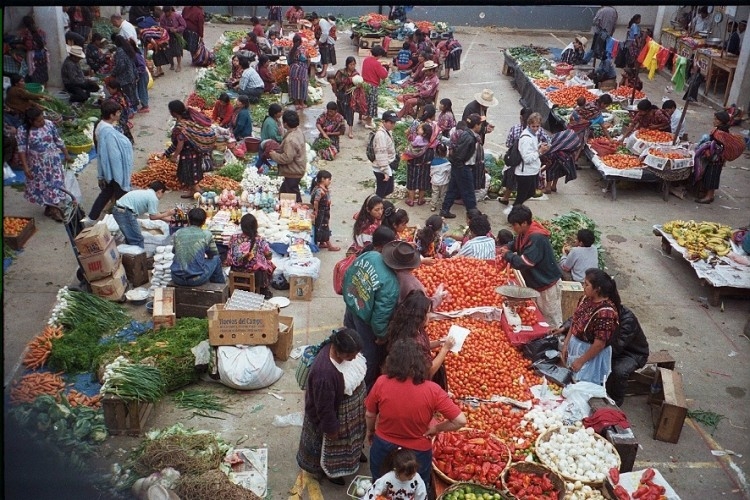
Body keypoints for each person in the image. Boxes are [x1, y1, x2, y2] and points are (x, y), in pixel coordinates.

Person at [365, 339, 466, 491]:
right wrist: (436, 429)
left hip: (383, 446)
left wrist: (371, 431)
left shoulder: (381, 383)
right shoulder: (433, 390)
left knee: (380, 486)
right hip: (417, 452)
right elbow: (460, 421)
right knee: (414, 488)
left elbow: (370, 414)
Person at [296, 327, 367, 486]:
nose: (354, 358)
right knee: (333, 446)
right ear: (338, 352)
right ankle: (332, 472)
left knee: (354, 437)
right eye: (351, 356)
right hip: (335, 417)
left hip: (353, 413)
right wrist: (331, 428)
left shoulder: (340, 342)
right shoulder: (324, 375)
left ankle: (355, 454)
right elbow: (324, 408)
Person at [343, 226, 399, 391]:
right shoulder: (391, 282)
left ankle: (345, 371)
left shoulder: (370, 255)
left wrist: (349, 298)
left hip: (351, 306)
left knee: (350, 345)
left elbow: (349, 274)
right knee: (368, 357)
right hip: (365, 319)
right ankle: (361, 390)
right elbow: (381, 315)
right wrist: (381, 335)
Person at [498, 205, 563, 328]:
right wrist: (508, 247)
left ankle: (557, 343)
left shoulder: (536, 237)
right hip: (536, 283)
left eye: (514, 225)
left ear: (523, 223)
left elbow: (525, 263)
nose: (513, 228)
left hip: (546, 285)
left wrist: (508, 255)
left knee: (551, 319)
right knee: (539, 316)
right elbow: (516, 243)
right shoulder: (525, 233)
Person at [554, 268, 620, 385]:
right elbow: (575, 320)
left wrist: (581, 361)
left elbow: (599, 344)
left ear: (597, 289)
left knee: (584, 384)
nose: (583, 286)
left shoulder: (605, 313)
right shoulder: (585, 299)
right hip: (577, 348)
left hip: (590, 354)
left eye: (587, 284)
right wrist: (566, 345)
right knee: (571, 381)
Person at [385, 290, 452, 386]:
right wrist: (445, 349)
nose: (430, 316)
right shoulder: (413, 342)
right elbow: (429, 372)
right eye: (428, 313)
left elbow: (424, 346)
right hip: (416, 383)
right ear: (420, 316)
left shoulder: (410, 328)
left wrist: (439, 342)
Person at [16, 108, 70, 222]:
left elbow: (58, 140)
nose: (42, 122)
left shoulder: (49, 124)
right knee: (44, 186)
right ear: (31, 121)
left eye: (42, 119)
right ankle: (51, 208)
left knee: (55, 184)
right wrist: (25, 168)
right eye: (39, 121)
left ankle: (53, 208)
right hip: (38, 165)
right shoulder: (23, 131)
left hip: (53, 162)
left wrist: (66, 154)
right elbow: (21, 150)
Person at [86, 100, 133, 222]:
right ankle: (123, 220)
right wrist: (118, 172)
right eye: (118, 113)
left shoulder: (100, 125)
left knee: (107, 192)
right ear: (111, 115)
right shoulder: (108, 132)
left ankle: (92, 217)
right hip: (115, 170)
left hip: (109, 168)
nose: (119, 115)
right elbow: (114, 155)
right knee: (121, 194)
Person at [165, 100, 214, 198]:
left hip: (188, 153)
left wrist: (174, 156)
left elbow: (180, 144)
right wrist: (167, 152)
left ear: (173, 113)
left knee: (190, 173)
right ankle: (192, 192)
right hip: (196, 150)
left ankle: (199, 192)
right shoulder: (189, 119)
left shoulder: (181, 126)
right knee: (194, 171)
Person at [440, 114, 483, 219]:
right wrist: (460, 166)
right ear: (476, 125)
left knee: (453, 189)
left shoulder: (466, 134)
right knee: (469, 191)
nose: (481, 127)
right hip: (463, 167)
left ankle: (445, 209)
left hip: (458, 166)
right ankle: (473, 214)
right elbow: (460, 154)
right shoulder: (470, 137)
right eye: (480, 124)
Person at [171, 208, 226, 287]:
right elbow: (212, 255)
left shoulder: (178, 232)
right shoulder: (206, 234)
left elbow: (175, 251)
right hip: (196, 280)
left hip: (176, 278)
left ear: (189, 220)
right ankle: (220, 287)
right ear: (204, 222)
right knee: (216, 259)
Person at [606, 305, 649, 406]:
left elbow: (617, 347)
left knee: (619, 371)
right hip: (614, 349)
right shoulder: (598, 308)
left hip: (633, 353)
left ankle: (616, 402)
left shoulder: (627, 319)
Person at [226, 213, 275, 299]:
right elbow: (269, 255)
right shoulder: (260, 240)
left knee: (259, 260)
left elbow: (230, 253)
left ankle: (238, 288)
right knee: (268, 264)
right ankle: (263, 289)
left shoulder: (234, 238)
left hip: (236, 272)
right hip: (255, 275)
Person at [111, 181, 175, 248]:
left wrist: (167, 218)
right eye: (163, 194)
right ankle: (138, 256)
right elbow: (152, 217)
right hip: (125, 213)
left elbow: (154, 213)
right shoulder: (153, 198)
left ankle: (130, 255)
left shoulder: (148, 193)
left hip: (120, 210)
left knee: (131, 237)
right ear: (160, 191)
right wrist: (167, 213)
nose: (162, 197)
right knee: (137, 239)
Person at [509, 112, 549, 211]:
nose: (535, 128)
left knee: (530, 192)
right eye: (533, 126)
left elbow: (532, 150)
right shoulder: (526, 139)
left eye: (537, 126)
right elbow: (526, 158)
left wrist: (539, 147)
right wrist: (540, 152)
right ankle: (513, 213)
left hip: (531, 171)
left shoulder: (533, 135)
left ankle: (514, 209)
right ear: (528, 124)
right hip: (525, 172)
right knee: (521, 196)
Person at [694, 111, 733, 204]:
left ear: (721, 121)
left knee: (712, 176)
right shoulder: (721, 130)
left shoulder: (720, 132)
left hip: (716, 158)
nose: (714, 120)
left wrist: (708, 150)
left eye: (716, 119)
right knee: (711, 175)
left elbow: (716, 145)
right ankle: (708, 194)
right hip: (717, 158)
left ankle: (709, 196)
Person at [269, 110, 306, 202]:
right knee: (284, 192)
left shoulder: (291, 139)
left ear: (285, 123)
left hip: (293, 171)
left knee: (293, 195)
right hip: (297, 168)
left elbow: (287, 158)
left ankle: (299, 209)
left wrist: (274, 155)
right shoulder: (298, 131)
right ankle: (283, 205)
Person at [499, 107, 533, 205]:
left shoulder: (515, 129)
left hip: (515, 160)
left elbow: (508, 143)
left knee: (511, 179)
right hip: (529, 162)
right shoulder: (537, 131)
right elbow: (547, 141)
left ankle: (507, 198)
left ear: (521, 117)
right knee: (526, 185)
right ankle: (519, 201)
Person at [403, 122, 434, 207]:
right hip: (424, 166)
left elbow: (412, 146)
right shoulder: (429, 144)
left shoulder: (418, 139)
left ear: (423, 133)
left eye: (420, 128)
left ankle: (411, 200)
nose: (418, 129)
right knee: (422, 183)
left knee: (412, 183)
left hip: (413, 165)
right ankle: (420, 200)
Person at [371, 111, 400, 199]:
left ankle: (378, 205)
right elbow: (381, 154)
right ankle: (376, 207)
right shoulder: (381, 135)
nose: (393, 125)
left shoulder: (387, 132)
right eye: (391, 122)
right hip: (382, 168)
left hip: (386, 166)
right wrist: (385, 171)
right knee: (381, 192)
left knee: (388, 189)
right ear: (384, 122)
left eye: (394, 123)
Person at [310, 170, 341, 252]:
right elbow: (316, 201)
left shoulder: (322, 189)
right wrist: (316, 211)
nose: (330, 181)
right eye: (329, 179)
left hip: (325, 211)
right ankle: (329, 245)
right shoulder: (320, 191)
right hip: (321, 213)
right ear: (323, 179)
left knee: (322, 226)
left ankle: (322, 242)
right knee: (324, 227)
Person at [361, 46, 390, 129]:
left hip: (364, 84)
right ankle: (369, 121)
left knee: (365, 102)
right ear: (379, 55)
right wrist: (385, 68)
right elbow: (383, 75)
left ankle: (363, 116)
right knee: (372, 104)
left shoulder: (366, 60)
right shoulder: (376, 63)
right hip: (372, 86)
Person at [332, 56, 360, 139]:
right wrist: (336, 91)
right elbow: (336, 82)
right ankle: (341, 127)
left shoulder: (356, 74)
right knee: (340, 111)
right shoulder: (341, 72)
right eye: (351, 64)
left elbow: (358, 84)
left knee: (350, 111)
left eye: (354, 64)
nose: (353, 66)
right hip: (341, 94)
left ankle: (350, 130)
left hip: (350, 96)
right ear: (347, 65)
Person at [111, 35, 139, 113]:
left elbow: (120, 65)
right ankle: (134, 108)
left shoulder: (120, 51)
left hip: (125, 78)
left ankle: (130, 110)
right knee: (133, 93)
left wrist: (113, 73)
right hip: (131, 75)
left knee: (127, 94)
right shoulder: (128, 49)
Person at [18, 15, 49, 85]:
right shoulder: (41, 31)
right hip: (42, 53)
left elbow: (28, 47)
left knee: (34, 71)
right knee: (43, 70)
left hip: (32, 55)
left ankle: (36, 87)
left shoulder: (27, 34)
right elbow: (44, 42)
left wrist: (20, 46)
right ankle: (44, 86)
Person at [103, 78, 134, 144]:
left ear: (115, 88)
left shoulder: (113, 100)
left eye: (109, 89)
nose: (108, 91)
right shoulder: (122, 94)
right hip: (125, 117)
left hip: (120, 118)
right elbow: (129, 105)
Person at [256, 103, 285, 169]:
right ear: (275, 114)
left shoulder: (274, 120)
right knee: (261, 161)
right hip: (267, 144)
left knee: (263, 160)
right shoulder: (270, 123)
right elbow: (274, 137)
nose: (282, 113)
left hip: (267, 143)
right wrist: (283, 138)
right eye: (280, 112)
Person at [160, 6, 186, 72]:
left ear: (170, 11)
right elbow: (162, 27)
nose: (166, 14)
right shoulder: (163, 17)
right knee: (169, 52)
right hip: (168, 37)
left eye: (167, 12)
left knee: (178, 51)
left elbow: (183, 25)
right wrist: (169, 28)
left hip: (176, 37)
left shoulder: (177, 16)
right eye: (165, 12)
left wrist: (177, 30)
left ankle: (179, 65)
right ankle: (172, 64)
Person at [287, 34, 309, 110]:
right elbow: (307, 59)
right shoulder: (303, 49)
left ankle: (296, 103)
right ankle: (302, 103)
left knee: (294, 85)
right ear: (300, 41)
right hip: (302, 69)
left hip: (293, 69)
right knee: (302, 85)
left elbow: (289, 61)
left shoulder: (291, 49)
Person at [429, 144, 451, 213]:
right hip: (444, 181)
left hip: (435, 181)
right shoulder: (447, 163)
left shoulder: (433, 162)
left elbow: (431, 172)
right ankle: (443, 206)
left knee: (435, 193)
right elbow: (449, 173)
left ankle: (433, 206)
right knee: (443, 194)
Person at [317, 15, 337, 80]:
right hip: (329, 43)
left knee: (326, 59)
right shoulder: (332, 25)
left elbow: (325, 33)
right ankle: (323, 71)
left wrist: (320, 41)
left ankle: (324, 73)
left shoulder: (330, 25)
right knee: (324, 58)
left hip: (328, 43)